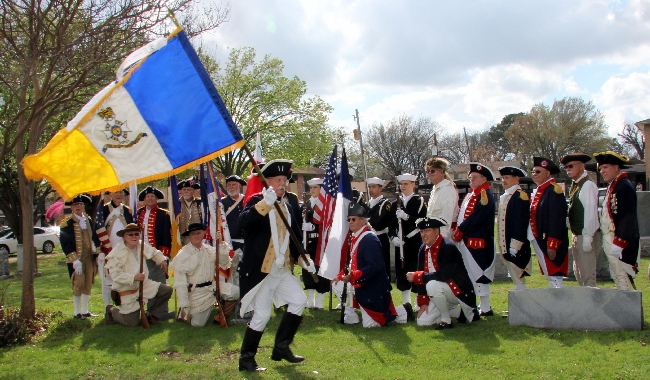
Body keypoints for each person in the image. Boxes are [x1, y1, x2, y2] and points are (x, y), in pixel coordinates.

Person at [237, 159, 315, 372]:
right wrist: (264, 204)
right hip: (261, 272)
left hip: (281, 270)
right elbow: (243, 224)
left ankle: (281, 347)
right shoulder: (256, 200)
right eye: (277, 179)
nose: (282, 183)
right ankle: (246, 359)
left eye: (284, 179)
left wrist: (304, 260)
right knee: (262, 315)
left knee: (299, 300)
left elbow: (295, 238)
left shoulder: (288, 206)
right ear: (267, 182)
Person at [333, 202, 412, 327]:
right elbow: (352, 263)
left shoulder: (369, 239)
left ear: (364, 221)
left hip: (373, 287)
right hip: (362, 282)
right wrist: (340, 275)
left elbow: (375, 267)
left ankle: (404, 311)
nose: (350, 222)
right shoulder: (356, 236)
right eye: (349, 219)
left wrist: (353, 276)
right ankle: (351, 316)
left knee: (371, 325)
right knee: (337, 283)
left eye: (354, 219)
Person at [407, 216, 478, 329]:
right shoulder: (422, 249)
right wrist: (423, 301)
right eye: (421, 231)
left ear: (436, 231)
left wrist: (418, 276)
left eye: (427, 231)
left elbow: (444, 275)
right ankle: (458, 312)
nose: (424, 234)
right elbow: (421, 273)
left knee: (432, 284)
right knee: (422, 321)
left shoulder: (447, 247)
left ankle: (446, 320)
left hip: (459, 293)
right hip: (440, 292)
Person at [170, 222, 239, 327]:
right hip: (197, 293)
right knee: (198, 324)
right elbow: (180, 283)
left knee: (235, 292)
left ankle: (219, 317)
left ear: (203, 234)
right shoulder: (182, 255)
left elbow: (225, 263)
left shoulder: (209, 250)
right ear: (189, 236)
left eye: (198, 233)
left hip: (213, 287)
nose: (196, 236)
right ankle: (184, 314)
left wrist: (220, 243)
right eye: (193, 234)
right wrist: (184, 303)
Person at [104, 223, 172, 327]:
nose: (134, 236)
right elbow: (115, 275)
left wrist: (161, 259)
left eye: (136, 234)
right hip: (127, 290)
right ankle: (111, 311)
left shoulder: (141, 245)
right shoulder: (116, 253)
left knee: (167, 290)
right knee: (132, 323)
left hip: (144, 286)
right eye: (130, 234)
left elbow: (154, 252)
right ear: (124, 237)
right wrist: (133, 278)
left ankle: (151, 315)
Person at [452, 163, 496, 316]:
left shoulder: (485, 196)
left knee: (480, 273)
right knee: (471, 273)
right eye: (470, 178)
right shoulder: (471, 195)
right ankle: (476, 305)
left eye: (475, 177)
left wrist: (461, 230)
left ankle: (485, 307)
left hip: (478, 242)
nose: (472, 180)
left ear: (484, 179)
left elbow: (475, 218)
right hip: (466, 241)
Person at [594, 151, 640, 290]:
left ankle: (628, 307)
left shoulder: (624, 186)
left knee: (622, 276)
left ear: (616, 167)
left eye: (606, 167)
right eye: (601, 168)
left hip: (618, 239)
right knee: (616, 274)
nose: (602, 171)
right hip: (610, 236)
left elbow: (627, 216)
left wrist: (620, 241)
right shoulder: (614, 185)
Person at [528, 157, 569, 288]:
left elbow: (556, 219)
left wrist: (553, 243)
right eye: (533, 171)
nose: (534, 174)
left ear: (548, 173)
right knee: (549, 273)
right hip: (538, 237)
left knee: (554, 273)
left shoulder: (553, 190)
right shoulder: (541, 190)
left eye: (538, 171)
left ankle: (559, 301)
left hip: (548, 239)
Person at [561, 153, 601, 287]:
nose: (568, 169)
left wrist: (588, 237)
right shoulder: (576, 184)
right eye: (566, 167)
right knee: (579, 271)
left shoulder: (587, 185)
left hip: (586, 234)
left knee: (587, 273)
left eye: (571, 166)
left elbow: (590, 213)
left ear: (581, 166)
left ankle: (591, 302)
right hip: (578, 233)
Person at [59, 194, 102, 319]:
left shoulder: (88, 219)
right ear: (71, 207)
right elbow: (65, 243)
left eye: (81, 204)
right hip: (76, 259)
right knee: (78, 283)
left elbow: (93, 237)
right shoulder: (66, 223)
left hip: (89, 257)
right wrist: (74, 259)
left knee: (88, 281)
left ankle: (85, 310)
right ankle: (76, 312)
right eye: (75, 205)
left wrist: (97, 252)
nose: (78, 206)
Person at [135, 186, 173, 319]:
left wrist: (163, 255)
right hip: (141, 254)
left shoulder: (163, 214)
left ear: (156, 199)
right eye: (147, 197)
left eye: (152, 196)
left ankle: (161, 313)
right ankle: (148, 311)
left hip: (157, 254)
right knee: (146, 283)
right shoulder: (139, 213)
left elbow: (165, 236)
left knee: (159, 283)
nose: (150, 198)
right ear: (144, 199)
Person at [390, 173, 427, 306]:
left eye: (406, 184)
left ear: (413, 185)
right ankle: (406, 303)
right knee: (402, 271)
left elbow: (421, 220)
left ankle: (418, 303)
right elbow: (392, 223)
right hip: (400, 242)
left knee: (415, 269)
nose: (403, 186)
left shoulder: (419, 201)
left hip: (414, 240)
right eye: (401, 184)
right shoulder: (395, 203)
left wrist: (407, 217)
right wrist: (393, 237)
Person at [96, 189, 134, 309]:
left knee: (124, 279)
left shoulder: (127, 211)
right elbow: (96, 229)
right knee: (107, 282)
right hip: (107, 250)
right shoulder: (103, 210)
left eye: (120, 193)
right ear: (110, 195)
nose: (118, 195)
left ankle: (125, 306)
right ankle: (107, 308)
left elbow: (132, 230)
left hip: (124, 251)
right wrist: (99, 250)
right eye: (115, 193)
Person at [496, 166, 532, 290]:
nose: (504, 180)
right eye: (503, 178)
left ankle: (521, 303)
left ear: (516, 179)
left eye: (507, 178)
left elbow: (520, 223)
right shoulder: (506, 196)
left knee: (518, 276)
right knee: (514, 276)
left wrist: (515, 246)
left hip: (515, 245)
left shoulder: (519, 196)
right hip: (506, 243)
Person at [301, 178, 330, 309]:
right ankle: (310, 299)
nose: (312, 190)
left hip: (320, 241)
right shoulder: (305, 204)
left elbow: (328, 222)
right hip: (307, 242)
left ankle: (320, 299)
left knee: (321, 270)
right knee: (307, 268)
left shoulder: (325, 204)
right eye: (311, 188)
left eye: (315, 187)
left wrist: (313, 227)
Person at [366, 177, 392, 282]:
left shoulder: (386, 204)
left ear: (381, 188)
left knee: (382, 265)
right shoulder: (367, 204)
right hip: (367, 238)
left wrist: (366, 221)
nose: (371, 190)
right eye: (369, 187)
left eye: (374, 187)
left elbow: (379, 223)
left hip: (380, 237)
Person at [425, 157, 459, 238]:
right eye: (428, 171)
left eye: (433, 171)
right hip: (433, 233)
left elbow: (446, 218)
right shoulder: (436, 189)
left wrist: (442, 239)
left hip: (442, 235)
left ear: (442, 172)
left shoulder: (446, 189)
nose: (429, 173)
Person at [222, 175, 247, 269]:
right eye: (229, 185)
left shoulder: (247, 200)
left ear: (239, 186)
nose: (231, 187)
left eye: (233, 184)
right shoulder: (222, 203)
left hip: (247, 242)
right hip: (231, 242)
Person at [177, 179, 202, 246]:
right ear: (181, 191)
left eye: (189, 190)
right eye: (184, 190)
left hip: (198, 237)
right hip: (182, 238)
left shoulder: (200, 203)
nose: (186, 192)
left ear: (193, 191)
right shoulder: (176, 204)